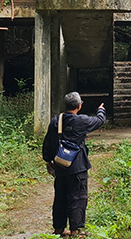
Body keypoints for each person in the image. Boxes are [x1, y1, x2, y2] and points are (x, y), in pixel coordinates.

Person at [43, 92, 106, 238]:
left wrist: (48, 161)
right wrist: (101, 110)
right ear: (79, 106)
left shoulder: (56, 120)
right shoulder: (82, 121)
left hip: (60, 165)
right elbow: (99, 120)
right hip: (78, 166)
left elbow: (48, 142)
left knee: (60, 197)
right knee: (77, 197)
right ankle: (76, 230)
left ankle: (59, 229)